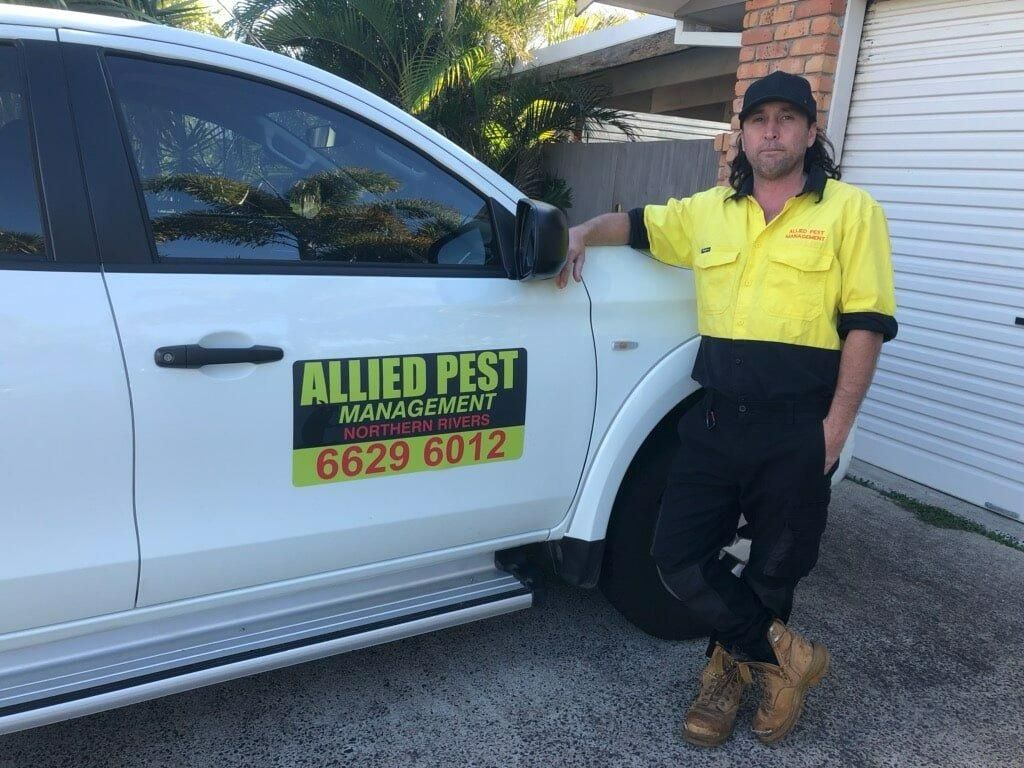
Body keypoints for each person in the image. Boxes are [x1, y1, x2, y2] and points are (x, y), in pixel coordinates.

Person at [557, 70, 897, 747]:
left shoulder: (851, 211)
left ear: (809, 131)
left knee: (775, 565)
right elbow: (640, 226)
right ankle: (782, 659)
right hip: (714, 420)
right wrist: (583, 230)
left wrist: (835, 428)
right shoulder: (710, 210)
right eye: (759, 118)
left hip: (799, 427)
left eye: (787, 118)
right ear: (740, 133)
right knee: (675, 554)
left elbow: (867, 322)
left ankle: (725, 678)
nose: (771, 129)